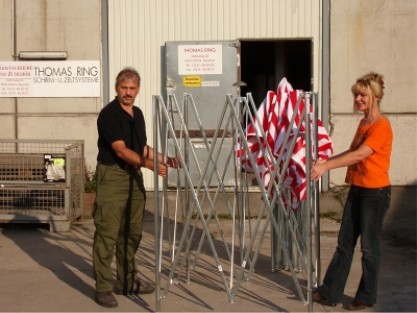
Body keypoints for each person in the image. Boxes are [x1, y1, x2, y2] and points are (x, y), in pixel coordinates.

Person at [93, 67, 180, 308]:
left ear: (138, 89)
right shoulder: (109, 115)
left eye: (132, 88)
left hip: (134, 177)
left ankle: (127, 280)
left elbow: (141, 148)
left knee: (131, 233)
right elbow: (120, 150)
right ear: (116, 89)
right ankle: (103, 287)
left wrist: (165, 159)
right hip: (112, 176)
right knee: (108, 232)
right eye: (124, 88)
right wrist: (152, 166)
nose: (128, 93)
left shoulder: (138, 114)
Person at [310, 72, 392, 311]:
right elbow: (350, 151)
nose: (358, 99)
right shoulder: (364, 122)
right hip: (357, 189)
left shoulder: (381, 126)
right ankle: (330, 292)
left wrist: (327, 165)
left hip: (375, 194)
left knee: (369, 248)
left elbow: (360, 154)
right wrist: (324, 161)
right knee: (344, 244)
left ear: (375, 96)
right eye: (356, 95)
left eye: (362, 95)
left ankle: (366, 297)